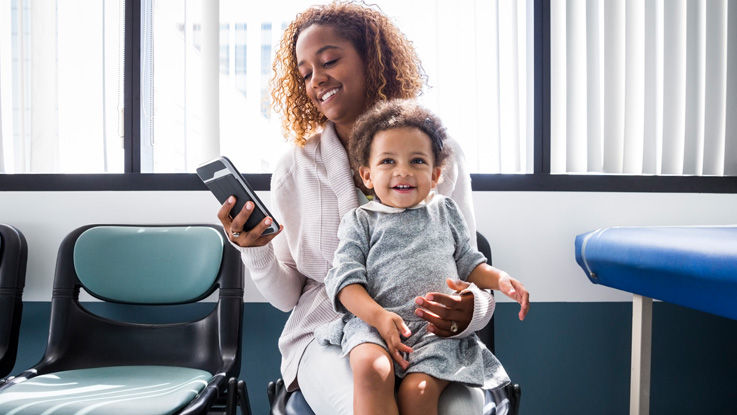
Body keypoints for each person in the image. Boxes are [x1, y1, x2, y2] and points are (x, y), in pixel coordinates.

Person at [216, 2, 530, 414]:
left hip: (432, 335)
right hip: (330, 331)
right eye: (305, 72)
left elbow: (469, 267)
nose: (316, 80)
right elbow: (286, 296)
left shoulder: (441, 154)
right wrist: (254, 249)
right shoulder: (294, 168)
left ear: (372, 58)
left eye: (329, 60)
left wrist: (473, 308)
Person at [316, 99, 529, 415]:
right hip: (374, 325)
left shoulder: (444, 212)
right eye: (388, 161)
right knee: (372, 371)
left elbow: (469, 263)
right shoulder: (360, 220)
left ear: (435, 175)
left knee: (419, 393)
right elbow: (345, 284)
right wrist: (378, 317)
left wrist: (501, 279)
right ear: (366, 175)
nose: (403, 170)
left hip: (434, 335)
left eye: (417, 161)